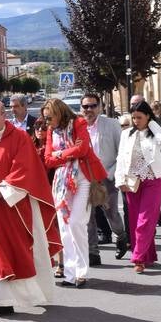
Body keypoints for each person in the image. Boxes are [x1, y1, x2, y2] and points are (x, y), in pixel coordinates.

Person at [0, 100, 60, 316]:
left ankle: (34, 295)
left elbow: (25, 167)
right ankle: (4, 301)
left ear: (4, 115)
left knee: (20, 250)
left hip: (15, 206)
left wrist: (5, 188)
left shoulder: (19, 138)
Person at [41, 99, 105, 288]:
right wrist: (69, 152)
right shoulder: (52, 131)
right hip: (62, 183)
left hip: (83, 178)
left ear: (59, 113)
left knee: (77, 222)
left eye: (49, 117)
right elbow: (47, 160)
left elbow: (83, 149)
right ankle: (70, 274)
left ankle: (82, 272)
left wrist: (59, 154)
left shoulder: (78, 123)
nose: (47, 122)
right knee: (64, 228)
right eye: (45, 118)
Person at [116, 100, 161, 273]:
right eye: (133, 118)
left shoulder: (156, 132)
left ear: (148, 116)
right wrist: (120, 181)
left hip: (153, 180)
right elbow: (120, 159)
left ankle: (138, 257)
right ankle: (148, 255)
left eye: (140, 117)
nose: (136, 121)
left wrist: (152, 123)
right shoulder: (126, 134)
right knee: (134, 221)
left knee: (145, 220)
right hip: (132, 181)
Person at [79, 94, 129, 264]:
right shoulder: (78, 127)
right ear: (81, 109)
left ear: (99, 107)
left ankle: (121, 237)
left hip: (107, 176)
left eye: (93, 106)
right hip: (86, 179)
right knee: (89, 217)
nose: (89, 110)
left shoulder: (112, 125)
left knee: (111, 214)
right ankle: (93, 252)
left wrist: (112, 173)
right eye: (86, 107)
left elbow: (122, 153)